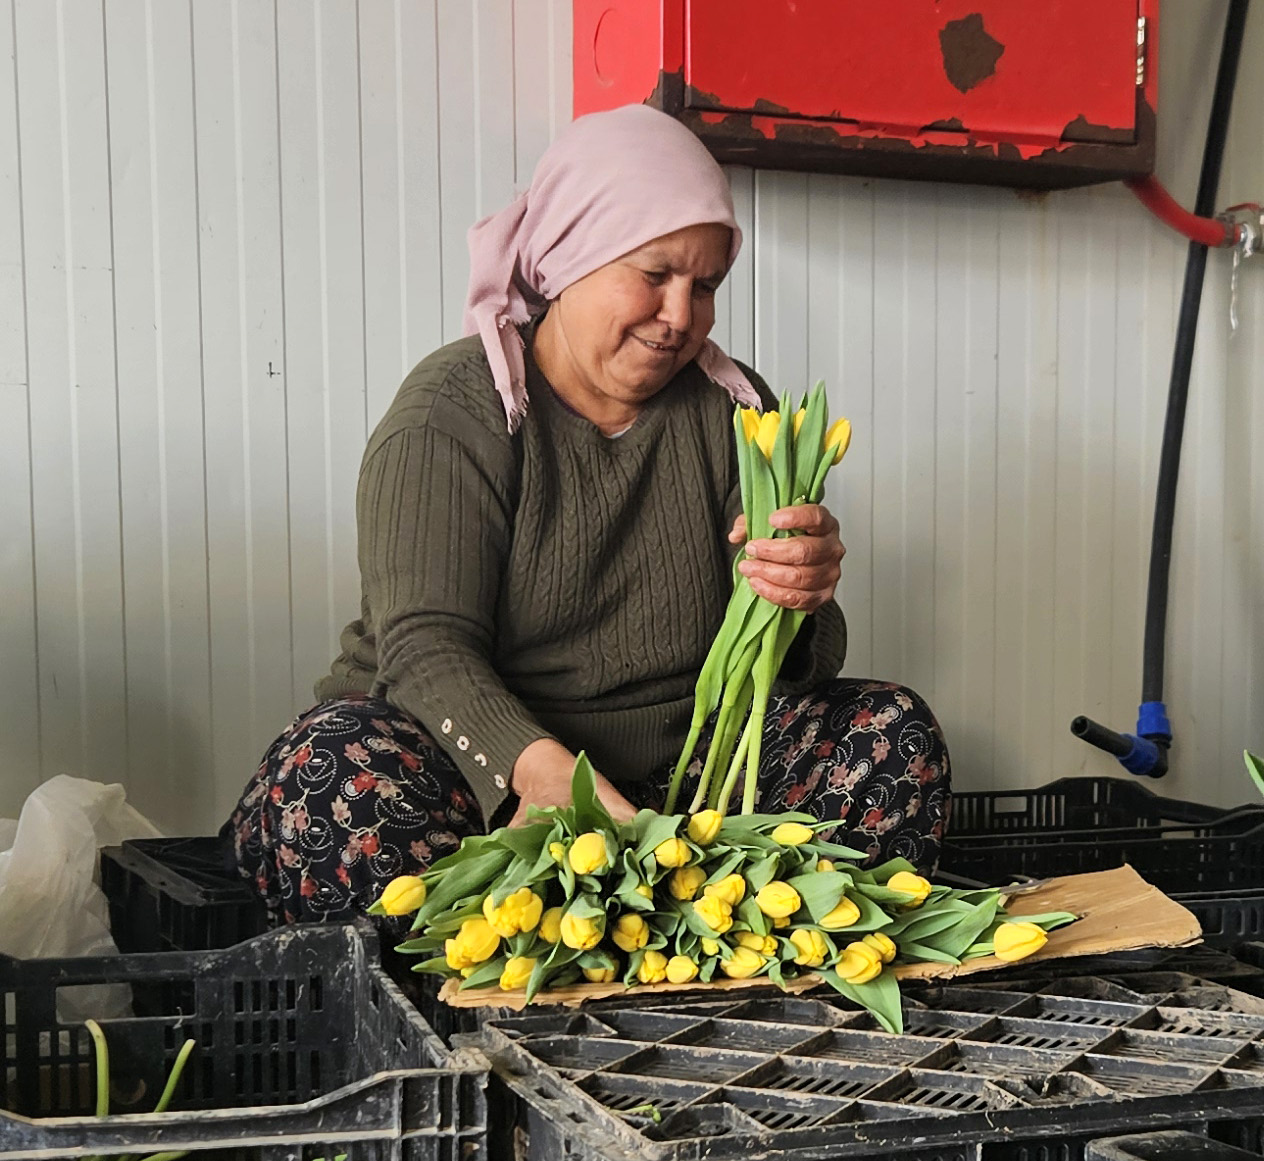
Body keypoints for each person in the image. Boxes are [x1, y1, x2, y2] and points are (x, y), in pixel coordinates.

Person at [231, 103, 948, 919]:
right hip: (480, 776)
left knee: (888, 730)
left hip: (678, 790)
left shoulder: (735, 413)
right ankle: (471, 1008)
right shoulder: (454, 412)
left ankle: (720, 976)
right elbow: (425, 650)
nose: (681, 316)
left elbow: (789, 672)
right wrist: (540, 779)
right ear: (572, 258)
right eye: (654, 274)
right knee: (330, 773)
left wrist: (798, 597)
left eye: (704, 285)